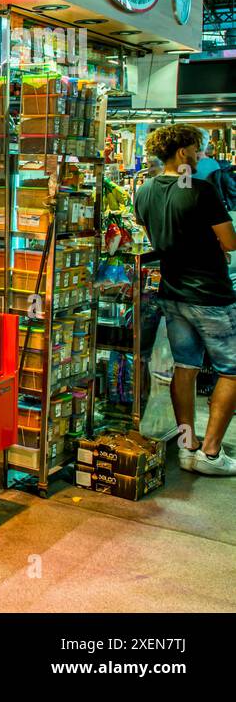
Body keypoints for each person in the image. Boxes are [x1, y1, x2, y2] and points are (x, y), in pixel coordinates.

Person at [133, 124, 236, 475]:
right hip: (209, 295)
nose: (200, 155)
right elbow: (230, 240)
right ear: (182, 153)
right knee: (232, 370)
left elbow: (154, 236)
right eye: (196, 149)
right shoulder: (200, 190)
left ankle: (187, 446)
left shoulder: (144, 190)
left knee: (186, 367)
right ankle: (210, 453)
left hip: (173, 292)